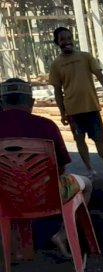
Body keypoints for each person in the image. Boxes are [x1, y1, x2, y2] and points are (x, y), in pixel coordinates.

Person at [0, 78, 92, 257]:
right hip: (47, 195)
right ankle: (62, 235)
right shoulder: (46, 126)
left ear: (2, 101)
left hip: (5, 197)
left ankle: (13, 246)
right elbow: (62, 167)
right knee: (87, 184)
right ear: (31, 102)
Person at [49, 26, 103, 178]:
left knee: (100, 140)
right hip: (73, 111)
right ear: (57, 42)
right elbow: (57, 91)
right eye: (62, 39)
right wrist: (62, 113)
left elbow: (100, 76)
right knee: (80, 141)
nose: (66, 42)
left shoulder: (85, 57)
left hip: (91, 107)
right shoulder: (56, 65)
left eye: (69, 38)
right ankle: (90, 170)